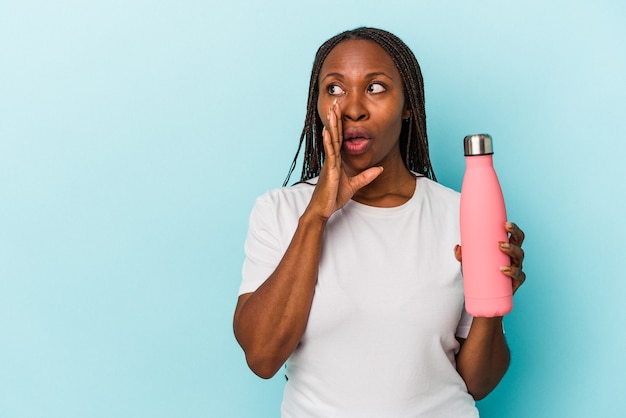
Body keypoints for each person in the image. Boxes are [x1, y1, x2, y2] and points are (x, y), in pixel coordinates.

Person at [233, 27, 526, 417]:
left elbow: (478, 384)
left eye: (375, 88)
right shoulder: (280, 212)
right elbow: (262, 357)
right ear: (317, 104)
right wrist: (316, 216)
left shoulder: (460, 215)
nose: (353, 108)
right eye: (335, 89)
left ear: (408, 105)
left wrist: (493, 301)